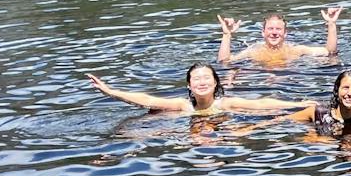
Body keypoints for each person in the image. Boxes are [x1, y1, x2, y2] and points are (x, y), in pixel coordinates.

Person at [86, 64, 310, 116]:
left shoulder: (225, 104)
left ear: (215, 83)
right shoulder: (183, 105)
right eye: (196, 79)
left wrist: (299, 105)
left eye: (206, 78)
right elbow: (146, 99)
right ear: (189, 86)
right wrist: (110, 92)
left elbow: (262, 104)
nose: (201, 83)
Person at [218, 8, 342, 66]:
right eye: (270, 29)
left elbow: (329, 52)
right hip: (262, 83)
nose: (274, 32)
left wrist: (331, 24)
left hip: (289, 83)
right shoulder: (253, 52)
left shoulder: (296, 50)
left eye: (278, 29)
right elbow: (225, 61)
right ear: (263, 33)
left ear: (285, 33)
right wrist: (227, 34)